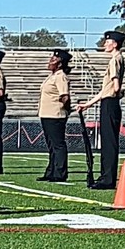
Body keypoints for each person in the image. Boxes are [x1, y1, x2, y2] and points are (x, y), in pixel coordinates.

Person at [77, 30, 125, 190]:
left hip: (110, 102)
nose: (105, 44)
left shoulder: (115, 60)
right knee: (108, 141)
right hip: (108, 101)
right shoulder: (117, 59)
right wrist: (88, 104)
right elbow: (105, 90)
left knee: (109, 142)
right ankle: (106, 175)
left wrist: (116, 92)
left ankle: (108, 178)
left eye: (107, 41)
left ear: (115, 44)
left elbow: (114, 85)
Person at [37, 50, 72, 182]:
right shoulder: (52, 76)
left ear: (60, 64)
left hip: (55, 114)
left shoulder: (60, 76)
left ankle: (60, 172)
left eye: (54, 60)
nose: (50, 61)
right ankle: (51, 171)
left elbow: (65, 96)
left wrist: (66, 110)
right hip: (47, 114)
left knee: (58, 144)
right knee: (51, 145)